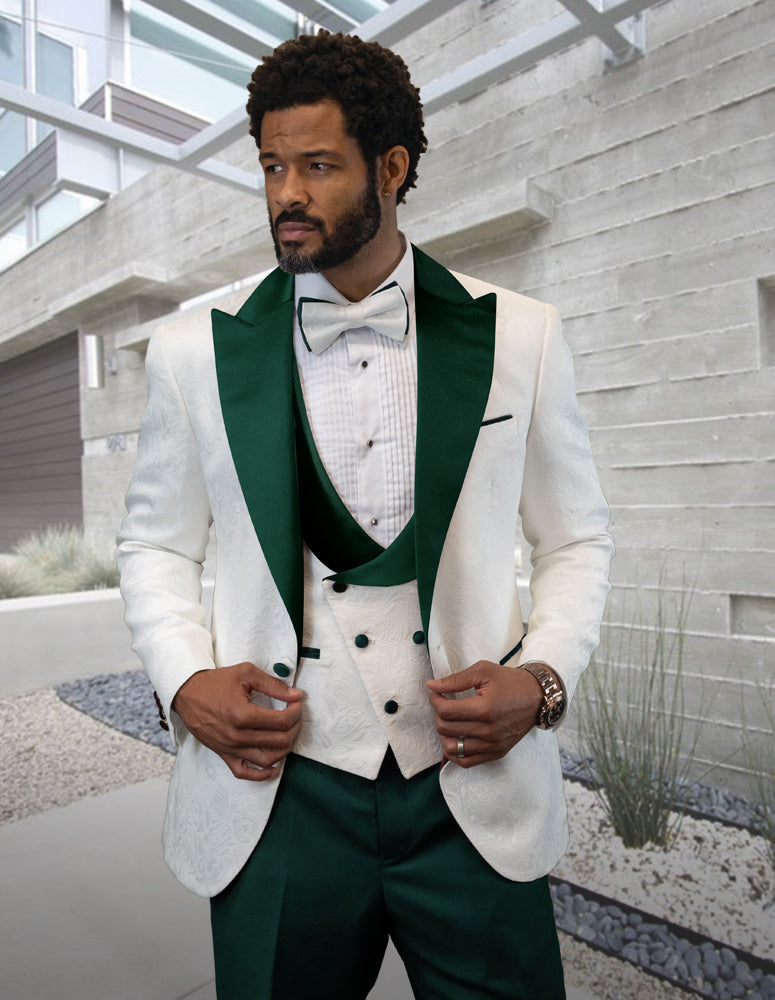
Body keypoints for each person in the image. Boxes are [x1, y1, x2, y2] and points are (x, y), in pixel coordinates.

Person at [117, 29, 613, 1000]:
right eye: (270, 165)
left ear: (392, 167)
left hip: (471, 794)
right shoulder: (191, 355)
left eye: (316, 165)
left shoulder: (521, 335)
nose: (285, 193)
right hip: (277, 795)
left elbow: (576, 538)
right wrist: (181, 682)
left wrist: (544, 680)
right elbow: (156, 544)